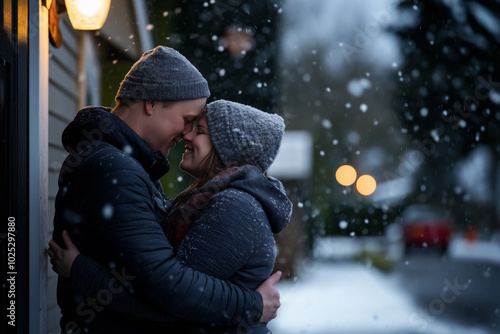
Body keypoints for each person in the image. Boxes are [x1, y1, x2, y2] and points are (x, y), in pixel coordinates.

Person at [50, 46, 282, 334]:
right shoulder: (116, 168)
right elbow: (169, 289)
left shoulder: (228, 202)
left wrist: (81, 270)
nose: (186, 133)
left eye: (197, 128)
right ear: (152, 102)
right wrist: (252, 305)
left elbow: (167, 290)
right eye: (188, 120)